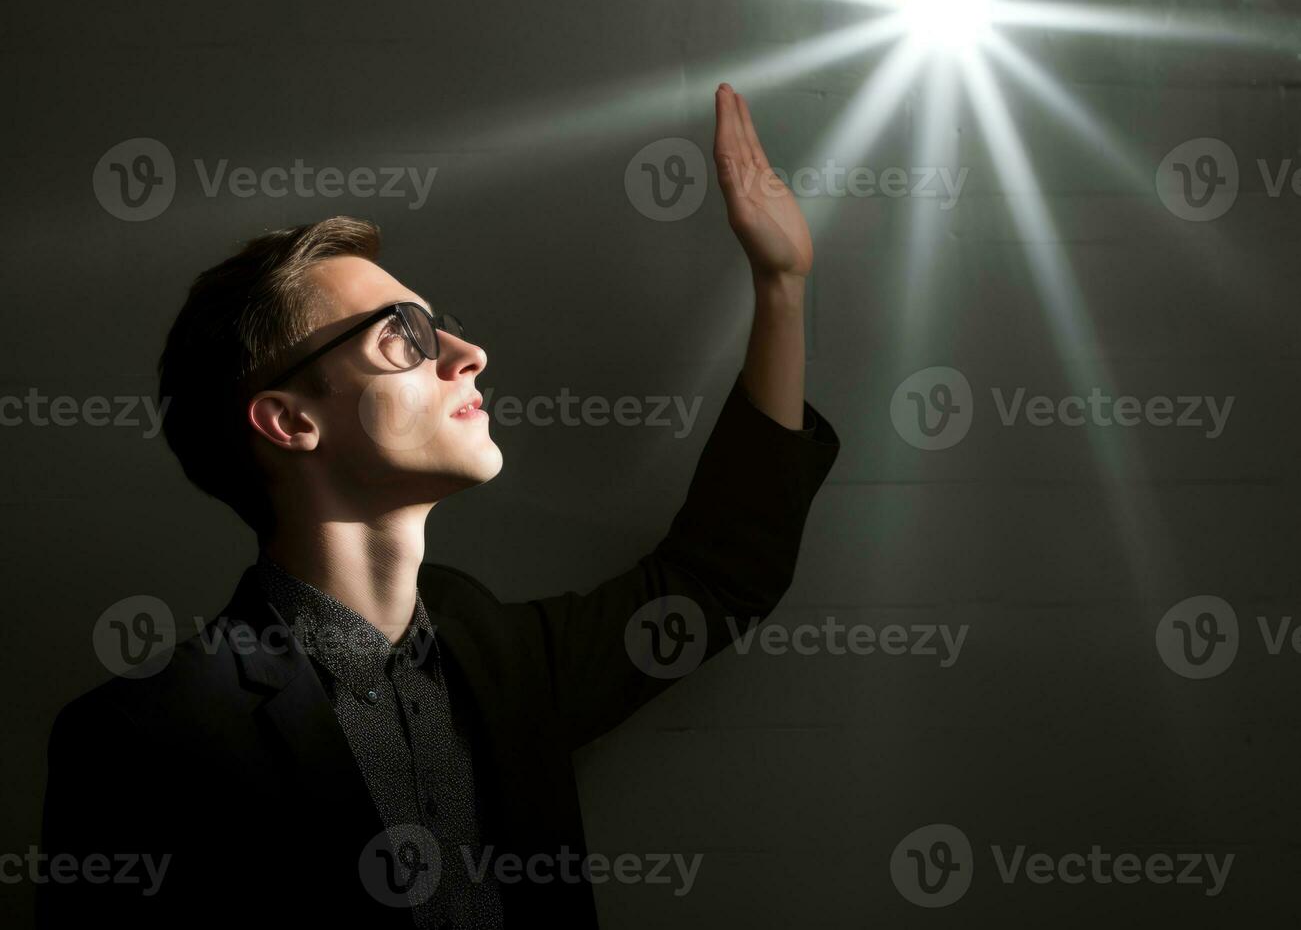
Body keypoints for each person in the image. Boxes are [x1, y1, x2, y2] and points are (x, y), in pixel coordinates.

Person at [36, 83, 840, 928]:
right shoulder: (144, 742)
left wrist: (779, 286)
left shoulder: (503, 658)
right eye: (403, 337)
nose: (468, 354)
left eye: (439, 326)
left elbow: (720, 577)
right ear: (289, 420)